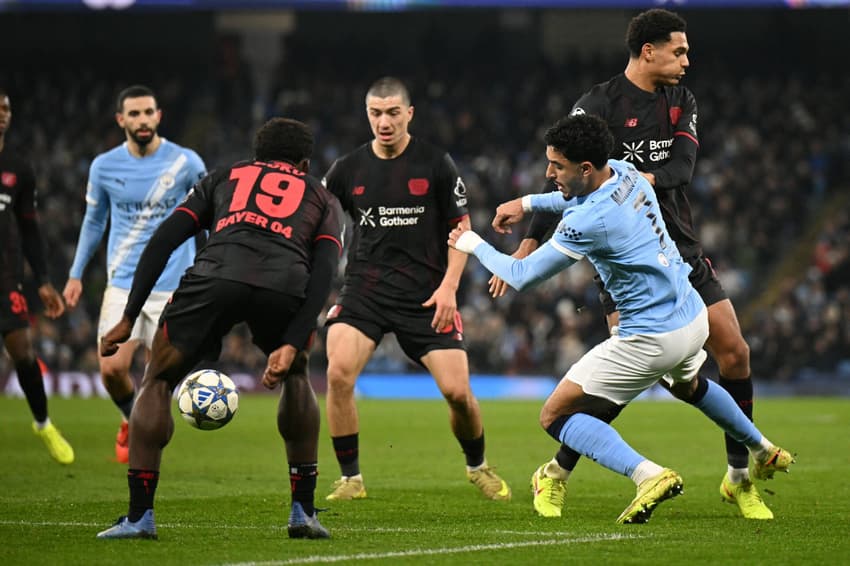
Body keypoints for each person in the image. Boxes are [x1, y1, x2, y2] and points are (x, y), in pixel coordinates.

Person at [491, 9, 772, 520]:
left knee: (735, 353)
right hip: (623, 265)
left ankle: (738, 479)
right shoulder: (596, 105)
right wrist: (531, 241)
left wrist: (641, 180)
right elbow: (560, 177)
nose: (687, 60)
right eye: (679, 51)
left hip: (679, 248)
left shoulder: (680, 101)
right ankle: (556, 473)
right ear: (648, 51)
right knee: (628, 381)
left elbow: (682, 168)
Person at [451, 113, 793, 523]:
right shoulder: (626, 172)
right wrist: (526, 204)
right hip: (691, 315)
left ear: (585, 168)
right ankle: (761, 447)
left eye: (556, 166)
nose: (548, 173)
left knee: (555, 415)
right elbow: (573, 196)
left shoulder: (587, 222)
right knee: (691, 385)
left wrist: (471, 242)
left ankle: (647, 475)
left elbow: (521, 275)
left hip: (649, 338)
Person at [95, 117, 343, 540]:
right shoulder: (322, 198)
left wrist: (128, 315)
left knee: (157, 378)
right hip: (284, 284)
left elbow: (163, 240)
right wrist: (291, 341)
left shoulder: (224, 177)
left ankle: (139, 518)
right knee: (298, 376)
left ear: (256, 156)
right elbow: (323, 275)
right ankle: (302, 513)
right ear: (303, 163)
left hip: (215, 275)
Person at [321, 76, 511, 502]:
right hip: (364, 292)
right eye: (375, 113)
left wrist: (449, 288)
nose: (384, 121)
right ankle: (351, 479)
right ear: (366, 115)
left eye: (392, 112)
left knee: (458, 393)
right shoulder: (347, 170)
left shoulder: (435, 163)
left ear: (409, 113)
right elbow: (319, 220)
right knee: (337, 374)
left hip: (427, 296)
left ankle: (477, 466)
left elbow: (461, 230)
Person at [63, 85, 206, 464]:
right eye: (134, 114)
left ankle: (144, 433)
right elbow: (94, 222)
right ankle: (131, 419)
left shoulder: (186, 162)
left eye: (148, 112)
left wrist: (210, 262)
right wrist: (76, 274)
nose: (142, 120)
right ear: (121, 119)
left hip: (173, 284)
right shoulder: (104, 166)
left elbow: (210, 214)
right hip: (123, 282)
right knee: (111, 369)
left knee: (156, 374)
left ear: (159, 116)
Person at [0, 87, 74, 465]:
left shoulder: (18, 167)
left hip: (5, 277)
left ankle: (43, 423)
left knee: (23, 353)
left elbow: (29, 228)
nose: (2, 113)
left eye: (6, 107)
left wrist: (43, 279)